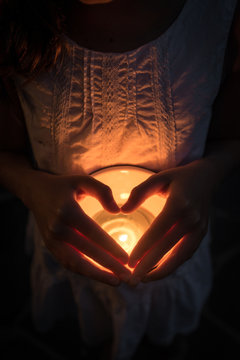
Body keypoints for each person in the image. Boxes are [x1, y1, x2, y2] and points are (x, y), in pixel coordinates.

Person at [0, 0, 240, 359]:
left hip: (172, 263)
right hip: (69, 260)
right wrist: (31, 188)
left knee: (161, 335)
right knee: (85, 326)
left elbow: (232, 136)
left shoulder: (217, 15)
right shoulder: (14, 21)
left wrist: (207, 175)